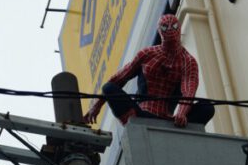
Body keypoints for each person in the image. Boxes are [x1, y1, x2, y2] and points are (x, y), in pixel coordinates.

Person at [82, 13, 215, 128]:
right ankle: (133, 122)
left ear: (179, 29)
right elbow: (118, 78)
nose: (169, 30)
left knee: (207, 107)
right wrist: (97, 104)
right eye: (165, 27)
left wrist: (181, 113)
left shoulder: (188, 61)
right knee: (109, 88)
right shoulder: (147, 54)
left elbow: (189, 91)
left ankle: (179, 130)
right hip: (142, 114)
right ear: (159, 31)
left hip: (170, 120)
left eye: (173, 27)